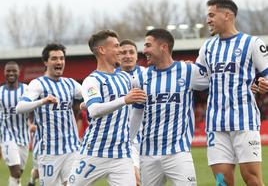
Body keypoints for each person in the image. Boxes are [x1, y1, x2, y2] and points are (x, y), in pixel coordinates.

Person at [195, 0, 268, 185]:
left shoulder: (252, 43)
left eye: (211, 15)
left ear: (227, 15)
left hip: (244, 122)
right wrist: (186, 71)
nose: (208, 20)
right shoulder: (207, 47)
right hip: (216, 125)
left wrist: (264, 83)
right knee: (222, 181)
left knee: (252, 178)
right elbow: (199, 79)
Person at [129, 28, 208, 186]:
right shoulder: (141, 77)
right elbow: (137, 114)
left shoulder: (188, 71)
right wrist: (127, 141)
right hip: (148, 155)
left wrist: (251, 86)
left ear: (163, 47)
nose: (144, 50)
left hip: (178, 153)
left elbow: (219, 83)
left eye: (148, 45)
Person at [67, 30, 146, 186]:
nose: (121, 51)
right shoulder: (92, 80)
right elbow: (95, 110)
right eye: (116, 46)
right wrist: (124, 100)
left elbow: (152, 80)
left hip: (121, 154)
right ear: (102, 50)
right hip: (94, 151)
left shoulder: (125, 77)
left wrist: (182, 68)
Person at [16, 43, 82, 186]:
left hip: (72, 149)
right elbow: (20, 107)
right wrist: (42, 102)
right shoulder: (37, 84)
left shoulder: (70, 84)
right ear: (46, 62)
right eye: (54, 58)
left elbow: (90, 97)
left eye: (61, 58)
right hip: (49, 152)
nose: (59, 62)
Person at [116, 39, 146, 186]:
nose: (127, 56)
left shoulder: (148, 75)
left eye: (131, 52)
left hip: (149, 138)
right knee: (135, 180)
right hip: (125, 140)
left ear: (136, 56)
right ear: (117, 56)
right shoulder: (110, 78)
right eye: (123, 53)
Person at [0, 61, 30, 186]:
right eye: (8, 71)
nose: (11, 73)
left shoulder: (27, 90)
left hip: (24, 137)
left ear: (19, 72)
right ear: (4, 73)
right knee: (16, 172)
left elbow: (33, 109)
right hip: (7, 136)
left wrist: (33, 124)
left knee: (18, 174)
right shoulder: (0, 92)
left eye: (14, 70)